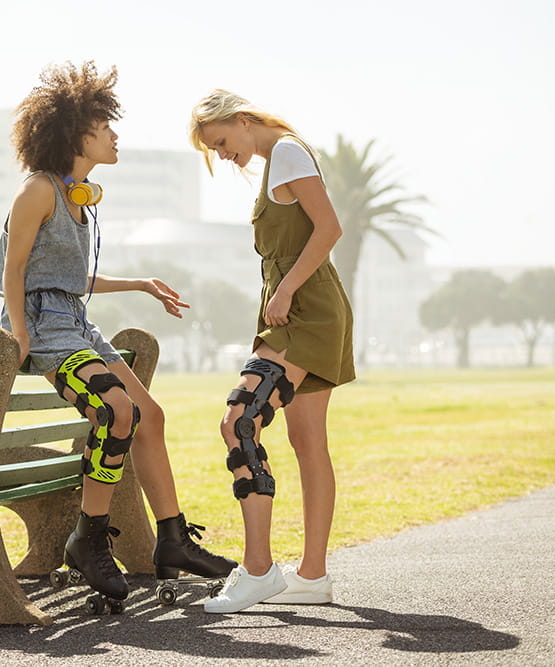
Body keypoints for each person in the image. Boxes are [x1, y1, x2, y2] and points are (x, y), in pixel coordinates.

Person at [0, 62, 236, 603]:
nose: (115, 135)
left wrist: (141, 284)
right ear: (77, 134)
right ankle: (89, 539)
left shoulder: (76, 196)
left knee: (150, 415)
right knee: (117, 411)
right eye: (105, 127)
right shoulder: (37, 192)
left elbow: (68, 280)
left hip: (74, 322)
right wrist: (21, 338)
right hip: (45, 329)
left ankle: (172, 538)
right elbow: (15, 271)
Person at [187, 90, 356, 613]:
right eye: (212, 151)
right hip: (294, 311)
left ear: (240, 121)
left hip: (305, 311)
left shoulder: (284, 151)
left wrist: (284, 293)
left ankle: (258, 570)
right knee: (307, 443)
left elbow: (329, 227)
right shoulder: (277, 160)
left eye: (220, 142)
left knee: (240, 419)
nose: (222, 155)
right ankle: (312, 576)